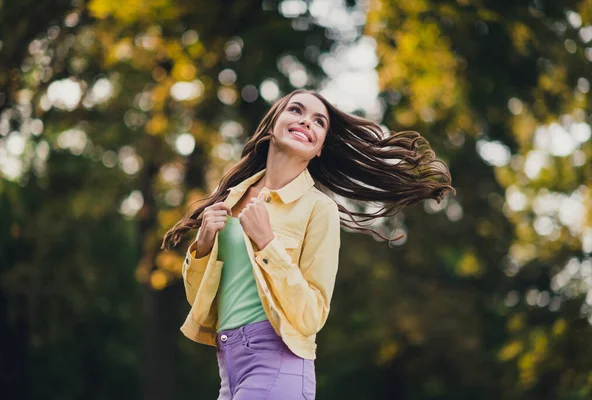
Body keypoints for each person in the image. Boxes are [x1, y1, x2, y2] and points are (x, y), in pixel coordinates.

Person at [162, 89, 454, 399]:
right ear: (272, 124)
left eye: (318, 121)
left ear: (319, 149)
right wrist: (204, 245)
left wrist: (267, 243)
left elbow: (313, 315)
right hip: (228, 367)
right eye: (296, 111)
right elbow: (201, 301)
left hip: (277, 363)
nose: (305, 122)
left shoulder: (318, 209)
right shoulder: (232, 198)